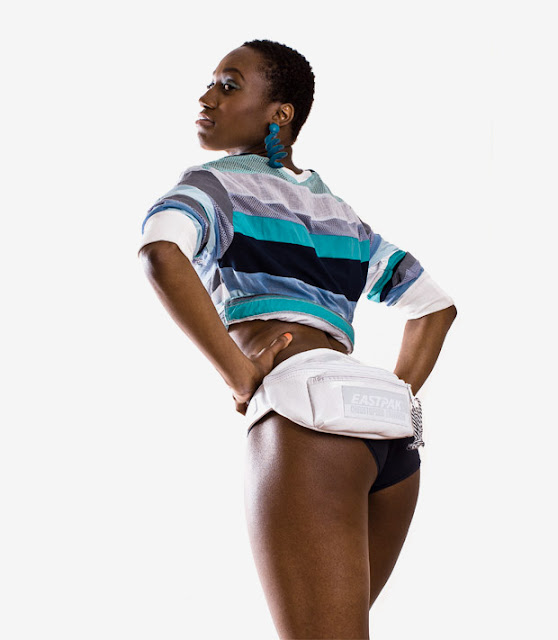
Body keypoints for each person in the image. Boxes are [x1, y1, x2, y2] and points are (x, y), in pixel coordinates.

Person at [137, 39, 457, 640]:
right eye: (210, 83)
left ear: (279, 113)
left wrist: (239, 375)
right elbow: (435, 307)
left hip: (306, 417)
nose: (206, 97)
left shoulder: (215, 186)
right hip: (391, 440)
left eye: (229, 85)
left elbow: (160, 252)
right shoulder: (341, 214)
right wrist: (397, 395)